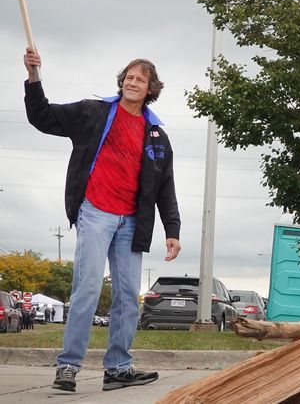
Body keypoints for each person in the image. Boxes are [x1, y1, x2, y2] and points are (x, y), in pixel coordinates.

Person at [23, 47, 181, 391]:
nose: (133, 81)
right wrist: (34, 77)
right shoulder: (93, 113)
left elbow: (165, 186)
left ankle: (119, 368)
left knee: (127, 296)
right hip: (95, 212)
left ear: (152, 88)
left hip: (132, 223)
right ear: (121, 81)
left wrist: (172, 229)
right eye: (129, 76)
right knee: (87, 289)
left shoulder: (157, 135)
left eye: (141, 78)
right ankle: (67, 367)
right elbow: (42, 116)